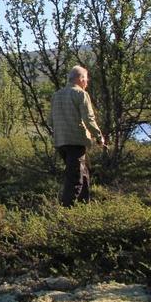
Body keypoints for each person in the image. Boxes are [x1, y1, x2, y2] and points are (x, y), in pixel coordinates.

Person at [50, 66, 106, 206]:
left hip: (61, 142)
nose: (87, 83)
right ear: (80, 79)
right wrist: (99, 137)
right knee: (75, 179)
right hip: (76, 141)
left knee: (83, 174)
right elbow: (89, 118)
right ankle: (67, 212)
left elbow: (50, 120)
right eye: (86, 80)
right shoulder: (80, 94)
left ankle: (84, 208)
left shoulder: (56, 95)